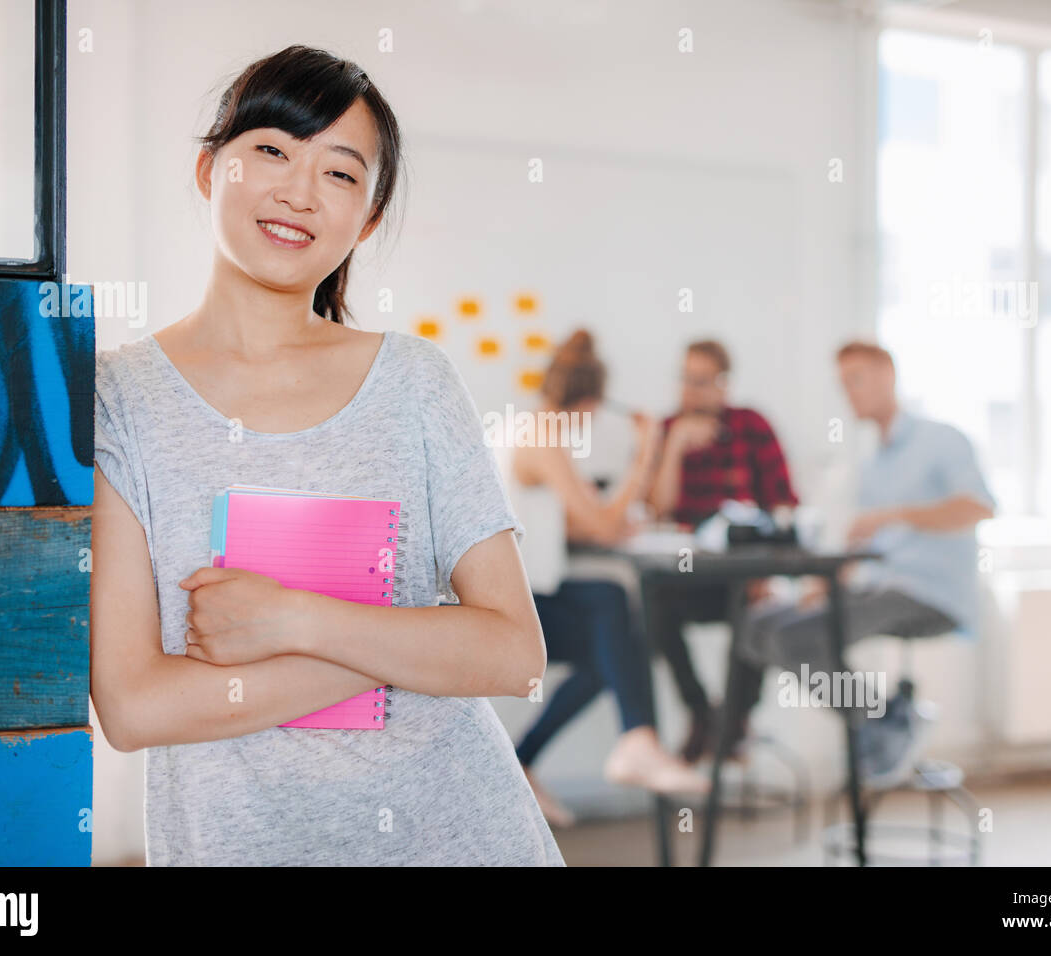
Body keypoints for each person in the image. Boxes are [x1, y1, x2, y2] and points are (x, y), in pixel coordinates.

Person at [90, 46, 565, 865]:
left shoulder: (414, 383)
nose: (299, 193)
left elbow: (514, 654)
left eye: (341, 174)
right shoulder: (119, 399)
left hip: (463, 835)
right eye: (272, 150)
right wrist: (415, 646)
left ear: (366, 220)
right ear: (211, 170)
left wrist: (295, 619)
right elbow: (136, 708)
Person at [741, 341, 996, 787]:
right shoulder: (873, 464)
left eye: (856, 380)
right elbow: (869, 546)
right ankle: (880, 722)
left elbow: (978, 508)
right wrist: (826, 585)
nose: (849, 393)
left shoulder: (941, 439)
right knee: (759, 625)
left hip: (928, 592)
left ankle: (882, 723)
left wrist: (893, 514)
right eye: (843, 384)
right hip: (876, 584)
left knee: (798, 638)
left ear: (888, 375)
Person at [508, 330, 711, 826]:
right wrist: (646, 452)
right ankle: (637, 740)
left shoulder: (533, 432)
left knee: (616, 646)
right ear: (590, 401)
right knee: (610, 601)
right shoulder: (543, 437)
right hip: (512, 606)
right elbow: (602, 524)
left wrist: (612, 517)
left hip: (531, 593)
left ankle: (523, 763)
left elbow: (580, 523)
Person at [646, 339, 800, 763]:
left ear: (723, 385)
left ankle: (733, 723)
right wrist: (675, 444)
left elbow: (784, 505)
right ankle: (701, 714)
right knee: (651, 604)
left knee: (757, 613)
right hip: (689, 577)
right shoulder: (666, 428)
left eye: (701, 382)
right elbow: (658, 509)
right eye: (685, 380)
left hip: (745, 575)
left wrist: (765, 573)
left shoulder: (751, 426)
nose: (690, 391)